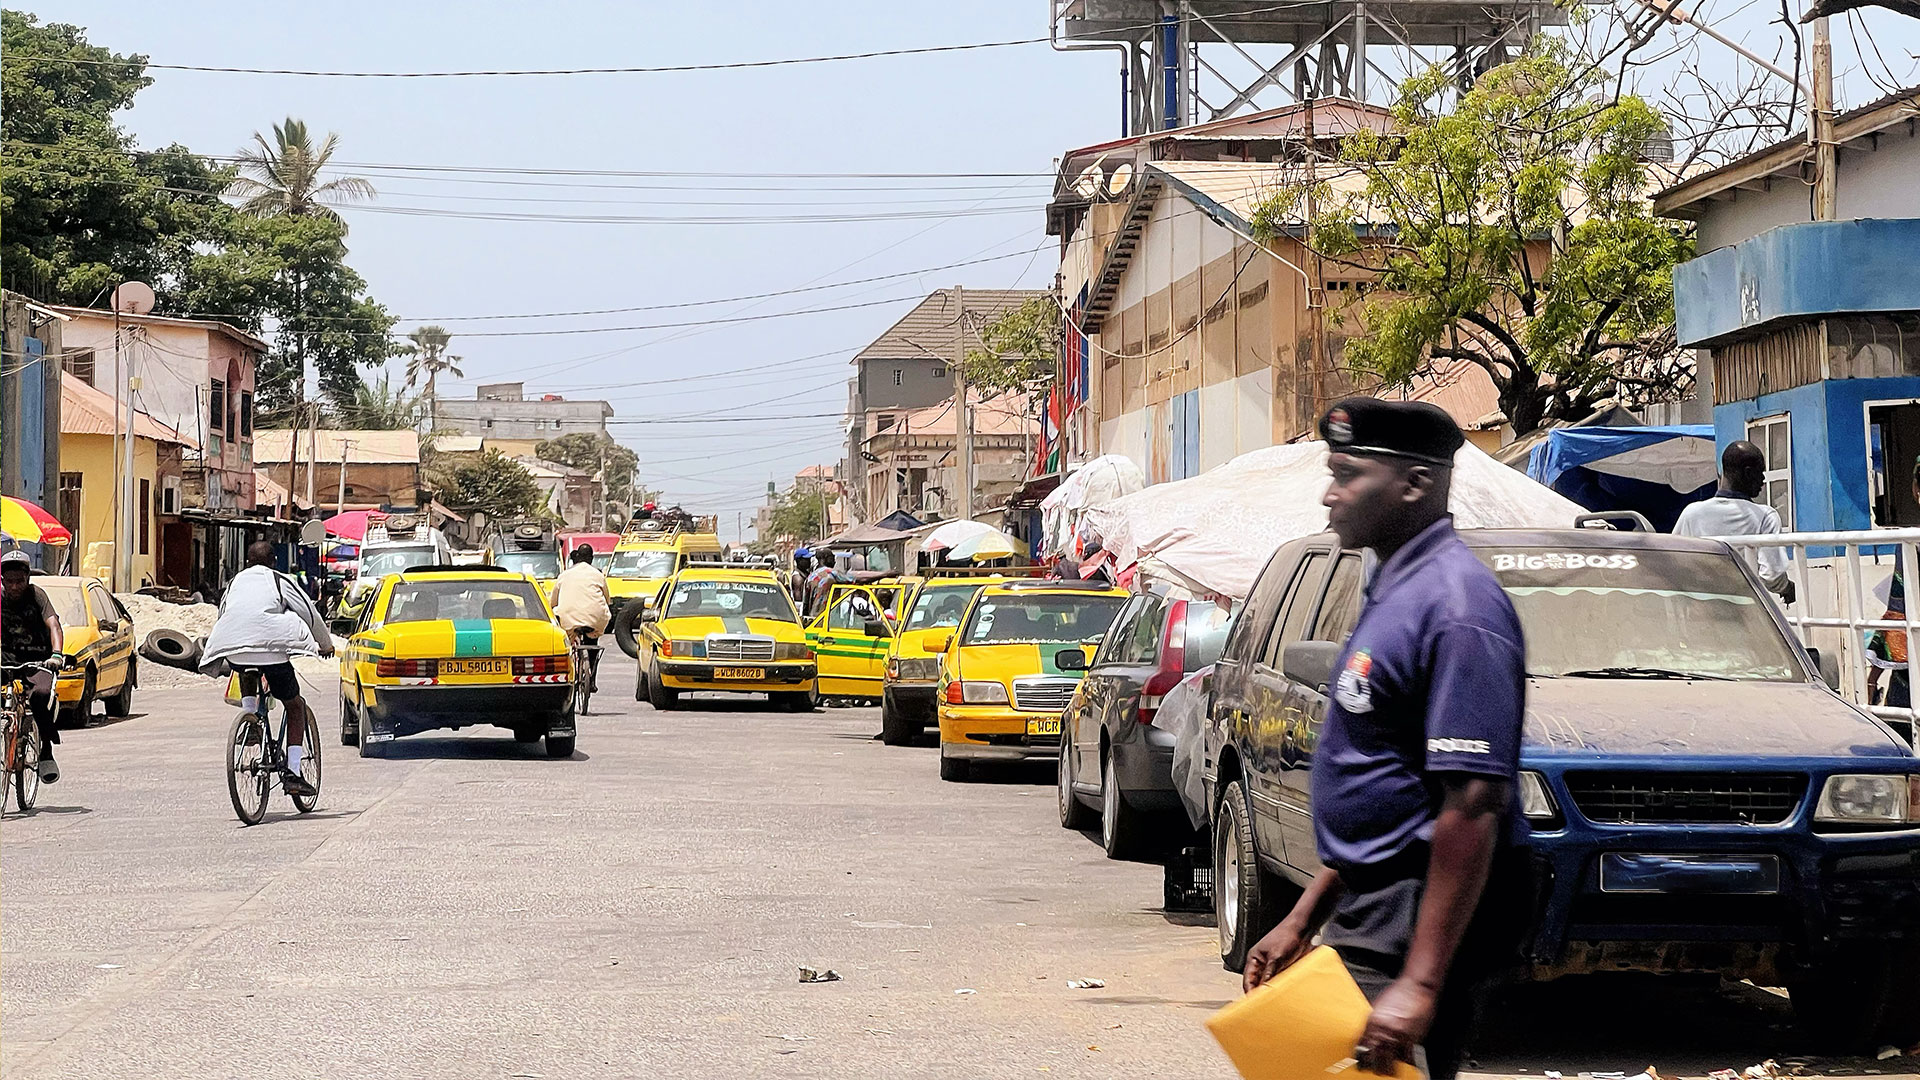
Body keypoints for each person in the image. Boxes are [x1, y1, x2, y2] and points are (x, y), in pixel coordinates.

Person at [1241, 398, 1528, 1080]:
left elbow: (1471, 802)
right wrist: (1305, 915)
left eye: (1347, 473)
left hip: (1414, 913)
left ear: (1414, 484)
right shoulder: (1395, 587)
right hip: (1375, 905)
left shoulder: (1459, 607)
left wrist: (1422, 983)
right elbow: (1392, 784)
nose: (1329, 493)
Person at [200, 541, 336, 798]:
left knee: (246, 667)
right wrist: (325, 644)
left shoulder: (234, 583)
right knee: (295, 706)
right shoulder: (278, 579)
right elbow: (308, 612)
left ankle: (250, 717)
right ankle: (294, 773)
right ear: (273, 561)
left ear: (247, 563)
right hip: (272, 654)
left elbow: (224, 614)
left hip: (235, 648)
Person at [1673, 440, 1793, 601]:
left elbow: (1674, 562)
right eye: (1760, 472)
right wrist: (1787, 588)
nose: (1763, 480)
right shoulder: (1765, 516)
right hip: (1744, 610)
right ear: (1748, 473)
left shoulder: (1691, 513)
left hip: (1701, 610)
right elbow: (1772, 576)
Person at [1, 549, 67, 784]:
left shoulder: (38, 596)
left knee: (40, 695)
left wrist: (57, 654)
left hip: (37, 661)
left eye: (20, 581)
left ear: (27, 579)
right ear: (2, 581)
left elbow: (54, 626)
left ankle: (45, 749)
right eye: (10, 581)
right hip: (5, 659)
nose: (15, 586)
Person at [550, 543, 612, 693]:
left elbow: (552, 602)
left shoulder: (564, 575)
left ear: (577, 557)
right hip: (594, 619)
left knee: (568, 643)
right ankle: (592, 678)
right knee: (593, 641)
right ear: (591, 558)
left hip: (568, 618)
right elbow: (607, 599)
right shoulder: (598, 574)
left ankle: (571, 673)